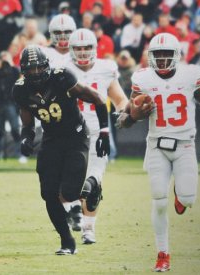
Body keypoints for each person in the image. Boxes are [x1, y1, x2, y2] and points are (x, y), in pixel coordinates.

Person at [116, 33, 200, 272]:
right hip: (156, 145)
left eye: (167, 54)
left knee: (188, 199)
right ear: (150, 56)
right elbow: (126, 116)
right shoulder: (142, 79)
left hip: (185, 144)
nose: (162, 59)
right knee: (159, 200)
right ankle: (162, 253)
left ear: (177, 55)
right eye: (158, 54)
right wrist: (132, 116)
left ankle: (180, 194)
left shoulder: (191, 75)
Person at [12, 45, 108, 255]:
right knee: (48, 193)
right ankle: (67, 241)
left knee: (70, 190)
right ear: (23, 71)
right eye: (30, 69)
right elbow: (27, 124)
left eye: (38, 68)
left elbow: (98, 99)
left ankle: (83, 196)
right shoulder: (20, 89)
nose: (35, 73)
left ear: (46, 66)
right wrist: (26, 139)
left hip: (76, 136)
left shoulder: (61, 77)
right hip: (51, 139)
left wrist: (105, 131)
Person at [67, 28, 129, 244]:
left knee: (93, 184)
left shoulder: (105, 69)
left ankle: (88, 229)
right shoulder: (62, 69)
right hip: (70, 136)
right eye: (78, 48)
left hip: (98, 134)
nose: (83, 52)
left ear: (95, 48)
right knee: (69, 183)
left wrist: (126, 112)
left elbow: (120, 99)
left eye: (87, 48)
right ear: (71, 49)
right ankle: (72, 212)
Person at [41, 13, 83, 231]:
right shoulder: (45, 54)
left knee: (76, 172)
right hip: (54, 120)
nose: (63, 37)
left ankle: (76, 207)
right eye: (58, 32)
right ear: (51, 35)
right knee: (55, 174)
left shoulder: (82, 51)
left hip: (81, 118)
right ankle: (70, 209)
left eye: (67, 32)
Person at [0, 51, 23, 163]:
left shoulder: (15, 71)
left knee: (15, 128)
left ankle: (20, 155)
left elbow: (21, 79)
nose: (4, 60)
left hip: (11, 103)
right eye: (2, 58)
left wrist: (10, 65)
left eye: (6, 58)